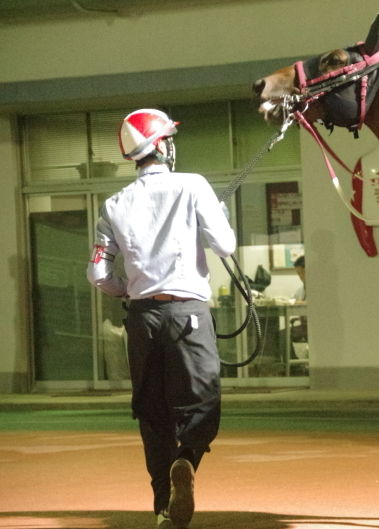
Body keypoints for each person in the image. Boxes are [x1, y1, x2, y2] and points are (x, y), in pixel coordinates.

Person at [86, 109, 236, 529]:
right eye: (169, 137)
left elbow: (98, 274)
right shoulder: (194, 186)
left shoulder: (113, 205)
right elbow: (225, 244)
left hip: (141, 318)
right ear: (162, 146)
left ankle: (163, 511)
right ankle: (186, 460)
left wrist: (128, 289)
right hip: (187, 313)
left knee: (152, 415)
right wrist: (214, 216)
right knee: (203, 406)